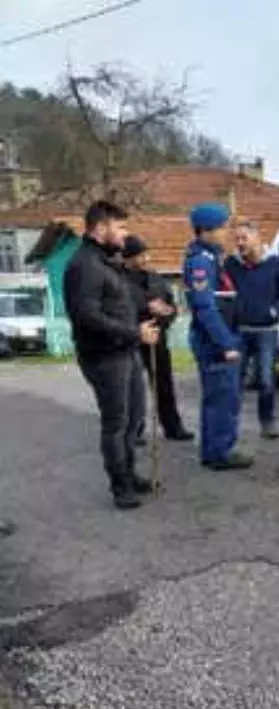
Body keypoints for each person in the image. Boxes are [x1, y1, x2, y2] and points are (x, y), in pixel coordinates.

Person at [64, 200, 161, 509]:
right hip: (104, 356)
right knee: (116, 423)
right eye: (120, 227)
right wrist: (135, 333)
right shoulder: (84, 265)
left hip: (126, 351)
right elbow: (86, 316)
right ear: (100, 227)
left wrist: (147, 309)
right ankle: (120, 486)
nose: (125, 234)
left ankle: (129, 475)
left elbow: (121, 300)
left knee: (134, 420)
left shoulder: (107, 261)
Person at [183, 202, 251, 470]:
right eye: (222, 228)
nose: (227, 233)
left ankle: (213, 450)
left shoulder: (212, 257)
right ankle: (220, 451)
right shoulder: (201, 262)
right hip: (214, 341)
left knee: (217, 397)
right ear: (205, 231)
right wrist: (226, 343)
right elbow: (204, 306)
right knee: (223, 397)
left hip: (218, 337)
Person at [223, 221, 279, 440]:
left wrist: (274, 311)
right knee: (235, 380)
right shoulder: (231, 264)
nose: (240, 244)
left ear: (257, 237)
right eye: (237, 239)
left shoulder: (275, 263)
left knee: (266, 379)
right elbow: (223, 291)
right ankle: (229, 425)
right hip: (240, 331)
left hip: (266, 330)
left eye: (244, 238)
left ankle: (267, 421)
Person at [121, 234, 193, 443]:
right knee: (132, 388)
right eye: (139, 255)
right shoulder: (118, 279)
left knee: (164, 385)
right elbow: (119, 309)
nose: (145, 259)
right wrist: (146, 308)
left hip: (158, 339)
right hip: (132, 340)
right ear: (127, 258)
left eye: (145, 254)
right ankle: (133, 430)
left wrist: (167, 314)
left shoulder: (155, 278)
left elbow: (171, 306)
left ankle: (173, 427)